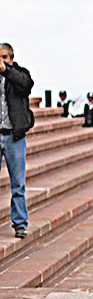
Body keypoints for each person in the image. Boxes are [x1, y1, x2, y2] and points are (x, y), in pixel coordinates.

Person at [0, 42, 34, 239]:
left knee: (18, 183)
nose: (1, 61)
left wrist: (7, 71)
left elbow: (26, 86)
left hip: (14, 137)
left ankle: (20, 223)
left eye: (4, 57)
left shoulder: (20, 74)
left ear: (11, 58)